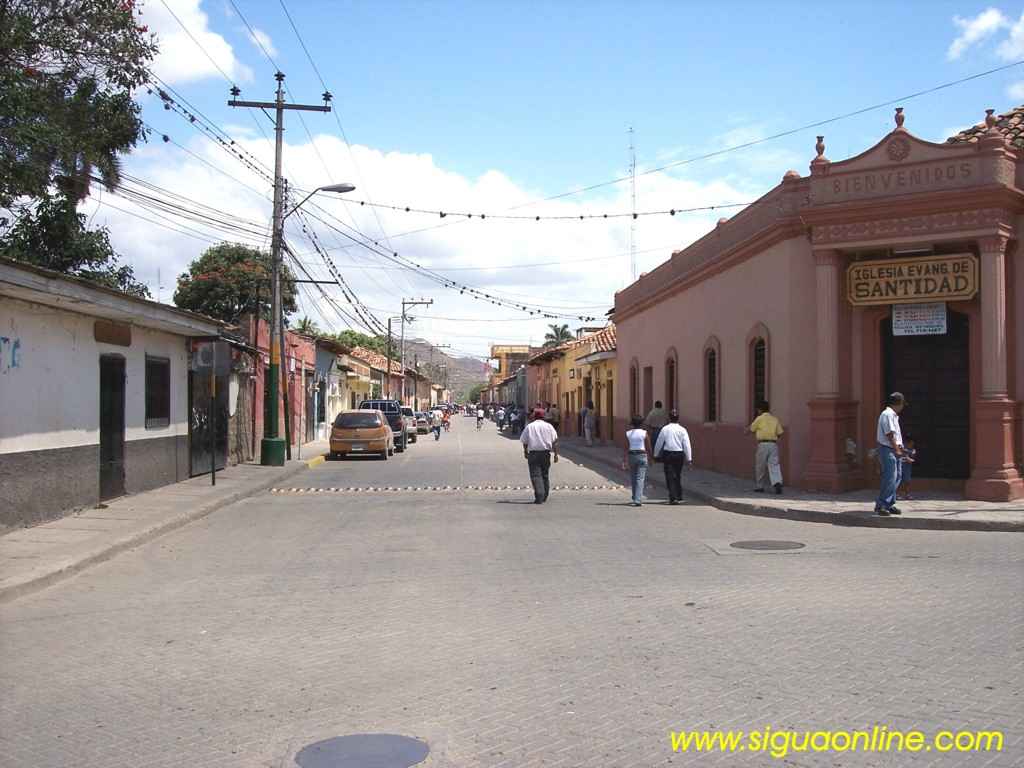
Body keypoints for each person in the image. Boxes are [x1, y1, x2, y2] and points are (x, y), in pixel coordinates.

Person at [875, 392, 910, 517]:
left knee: (897, 476)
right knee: (890, 477)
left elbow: (896, 435)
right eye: (902, 404)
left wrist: (901, 448)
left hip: (893, 448)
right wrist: (897, 449)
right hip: (887, 449)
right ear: (899, 404)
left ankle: (889, 503)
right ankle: (882, 505)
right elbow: (889, 434)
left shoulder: (893, 415)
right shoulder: (887, 414)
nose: (902, 407)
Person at [521, 408, 559, 504]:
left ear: (535, 417)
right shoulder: (549, 426)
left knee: (536, 475)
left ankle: (539, 495)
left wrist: (525, 451)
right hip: (546, 453)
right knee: (545, 475)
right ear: (543, 417)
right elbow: (555, 441)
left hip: (533, 454)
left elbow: (524, 441)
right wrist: (556, 455)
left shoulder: (530, 426)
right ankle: (544, 495)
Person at [653, 409, 692, 504]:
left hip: (668, 454)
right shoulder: (682, 429)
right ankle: (679, 496)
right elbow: (687, 444)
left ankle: (673, 497)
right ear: (678, 418)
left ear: (669, 418)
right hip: (679, 454)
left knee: (669, 476)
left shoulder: (665, 429)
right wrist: (689, 458)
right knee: (677, 475)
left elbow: (659, 442)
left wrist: (655, 454)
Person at [748, 400, 785, 494]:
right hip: (773, 444)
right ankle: (777, 482)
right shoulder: (775, 419)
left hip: (762, 444)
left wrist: (746, 431)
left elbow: (752, 429)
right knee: (774, 464)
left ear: (760, 410)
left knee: (760, 465)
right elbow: (780, 433)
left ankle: (760, 486)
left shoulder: (759, 419)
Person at [621, 416, 652, 506]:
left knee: (633, 478)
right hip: (642, 455)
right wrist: (651, 458)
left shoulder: (628, 433)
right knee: (640, 478)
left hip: (632, 456)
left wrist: (624, 460)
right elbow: (648, 447)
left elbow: (625, 447)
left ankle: (635, 497)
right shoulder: (644, 433)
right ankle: (637, 499)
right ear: (641, 423)